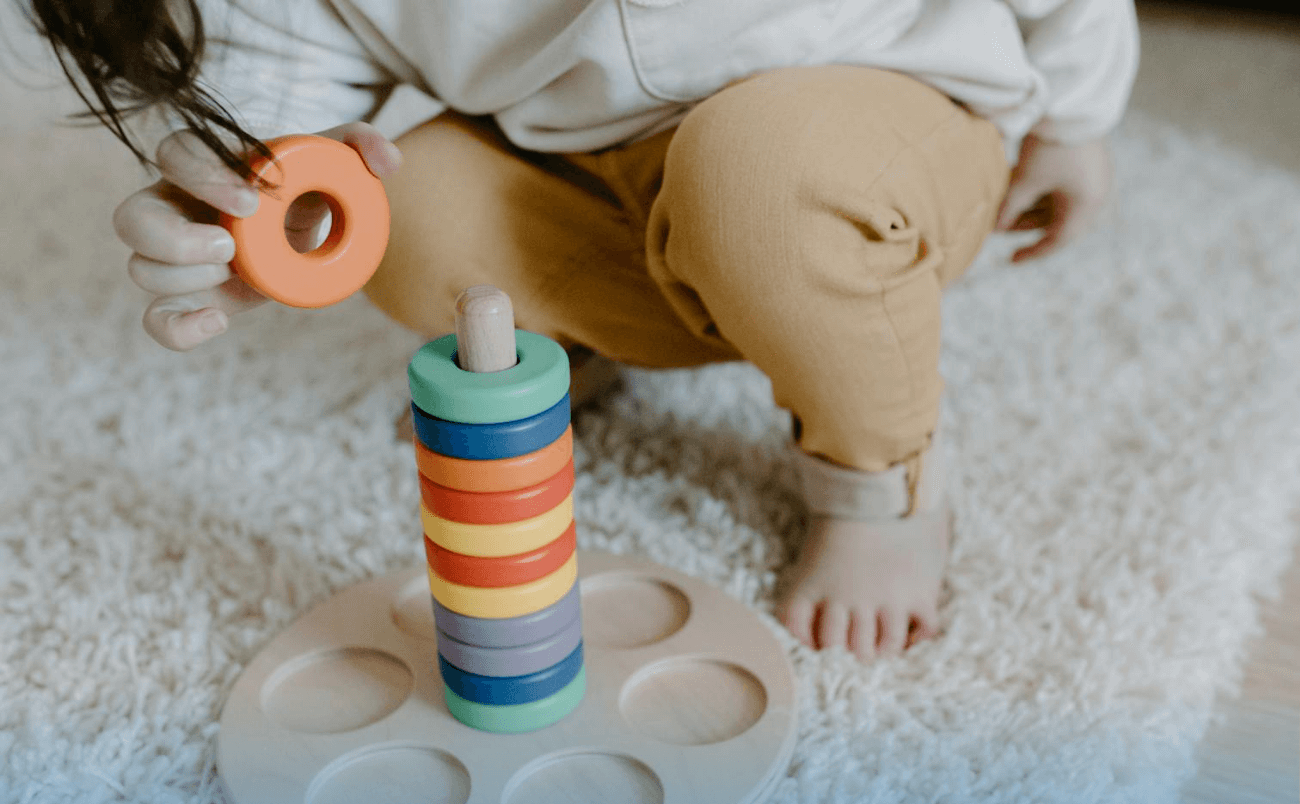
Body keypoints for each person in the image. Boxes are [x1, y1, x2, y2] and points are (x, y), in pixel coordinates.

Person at [28, 0, 1137, 659]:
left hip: (877, 116)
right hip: (582, 162)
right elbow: (287, 127)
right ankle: (598, 326)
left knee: (757, 173)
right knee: (408, 218)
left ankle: (878, 474)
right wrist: (251, 221)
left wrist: (1078, 116)